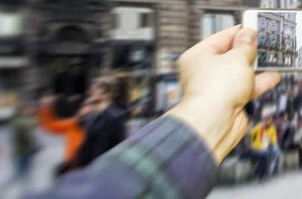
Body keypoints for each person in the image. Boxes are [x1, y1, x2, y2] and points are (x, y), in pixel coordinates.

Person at [25, 25, 281, 199]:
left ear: (105, 92)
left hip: (107, 172)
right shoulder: (88, 116)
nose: (90, 91)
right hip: (94, 173)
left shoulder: (114, 117)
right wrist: (48, 112)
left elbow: (118, 148)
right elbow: (63, 129)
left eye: (95, 88)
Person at [37, 95, 97, 177]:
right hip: (72, 166)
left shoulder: (99, 123)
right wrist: (46, 108)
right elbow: (49, 125)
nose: (85, 108)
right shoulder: (74, 123)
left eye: (89, 105)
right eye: (84, 105)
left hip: (90, 167)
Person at [71, 78, 126, 168]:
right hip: (88, 167)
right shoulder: (92, 115)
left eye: (94, 90)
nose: (90, 92)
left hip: (104, 168)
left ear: (106, 94)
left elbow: (119, 146)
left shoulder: (116, 116)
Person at [0, 100, 40, 197]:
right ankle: (1, 192)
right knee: (21, 176)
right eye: (27, 108)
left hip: (20, 153)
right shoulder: (22, 122)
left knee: (22, 176)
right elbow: (26, 136)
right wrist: (35, 145)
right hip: (24, 152)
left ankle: (26, 193)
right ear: (23, 110)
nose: (29, 110)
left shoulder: (16, 121)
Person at [247, 107, 280, 180]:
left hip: (268, 146)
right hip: (258, 147)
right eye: (265, 120)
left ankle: (272, 169)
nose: (266, 122)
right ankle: (262, 172)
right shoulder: (260, 127)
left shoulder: (272, 128)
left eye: (268, 120)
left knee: (275, 150)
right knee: (267, 153)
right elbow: (251, 133)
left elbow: (274, 140)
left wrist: (269, 139)